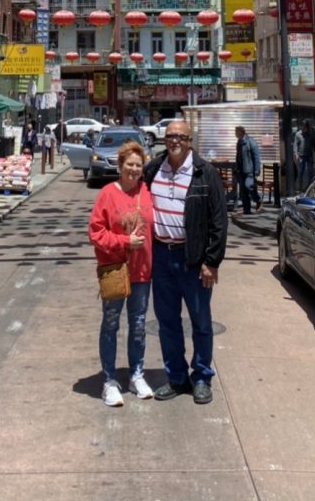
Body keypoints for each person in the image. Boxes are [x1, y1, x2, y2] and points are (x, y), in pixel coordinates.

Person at [143, 119, 228, 405]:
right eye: (170, 136)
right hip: (161, 257)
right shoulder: (154, 169)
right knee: (167, 321)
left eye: (180, 136)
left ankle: (202, 377)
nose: (175, 140)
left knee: (201, 321)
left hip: (193, 259)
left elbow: (219, 220)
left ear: (190, 141)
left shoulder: (205, 173)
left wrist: (211, 261)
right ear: (164, 139)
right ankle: (177, 378)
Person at [88, 141, 154, 407]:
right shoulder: (107, 194)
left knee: (138, 324)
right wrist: (125, 242)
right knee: (111, 323)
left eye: (138, 165)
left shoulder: (147, 191)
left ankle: (136, 374)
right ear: (120, 165)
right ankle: (109, 379)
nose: (134, 169)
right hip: (115, 269)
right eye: (129, 164)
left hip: (142, 271)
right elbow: (96, 233)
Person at [235, 125, 262, 215]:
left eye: (236, 132)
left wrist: (257, 170)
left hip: (249, 170)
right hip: (241, 170)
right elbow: (238, 156)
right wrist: (237, 168)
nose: (235, 134)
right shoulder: (239, 142)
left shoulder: (251, 141)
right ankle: (247, 209)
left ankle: (258, 200)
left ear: (241, 132)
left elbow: (256, 156)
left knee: (248, 185)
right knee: (243, 191)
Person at [294, 119, 315, 192]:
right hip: (301, 156)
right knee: (300, 172)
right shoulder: (298, 134)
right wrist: (296, 154)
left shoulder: (311, 134)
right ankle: (300, 188)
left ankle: (310, 188)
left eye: (306, 127)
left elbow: (314, 145)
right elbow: (295, 145)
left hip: (309, 155)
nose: (305, 129)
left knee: (310, 172)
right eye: (303, 127)